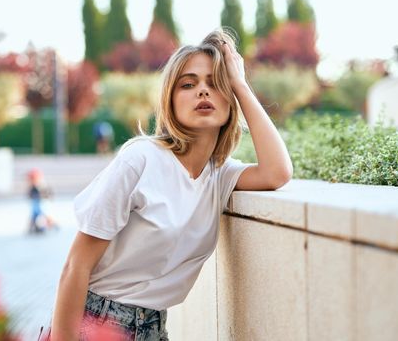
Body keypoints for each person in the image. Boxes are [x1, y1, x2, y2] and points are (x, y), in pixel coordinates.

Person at [49, 28, 293, 340]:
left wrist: (241, 86)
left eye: (215, 84)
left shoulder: (220, 175)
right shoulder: (140, 160)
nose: (202, 92)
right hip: (98, 323)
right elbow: (75, 266)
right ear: (171, 101)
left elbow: (277, 172)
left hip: (154, 326)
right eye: (188, 84)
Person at [27, 168, 57, 234]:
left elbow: (47, 193)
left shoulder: (42, 184)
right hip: (35, 203)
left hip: (42, 202)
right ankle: (32, 228)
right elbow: (30, 194)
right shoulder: (32, 186)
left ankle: (52, 225)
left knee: (44, 215)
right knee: (34, 216)